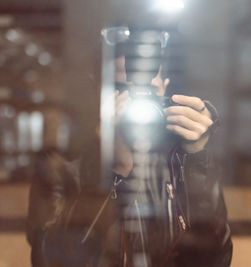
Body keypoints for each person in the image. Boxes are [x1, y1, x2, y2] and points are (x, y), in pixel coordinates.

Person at [26, 26, 232, 267]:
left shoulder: (181, 164)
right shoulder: (60, 168)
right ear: (99, 90)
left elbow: (216, 259)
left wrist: (197, 158)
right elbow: (49, 259)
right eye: (124, 91)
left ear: (164, 89)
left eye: (148, 93)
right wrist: (110, 165)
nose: (136, 107)